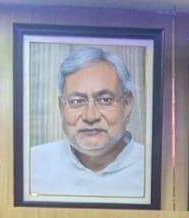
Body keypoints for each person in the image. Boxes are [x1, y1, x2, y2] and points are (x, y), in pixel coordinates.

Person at [27, 47, 147, 200]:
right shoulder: (32, 164)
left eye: (105, 100)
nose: (90, 116)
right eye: (77, 101)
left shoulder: (152, 169)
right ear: (61, 108)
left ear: (127, 105)